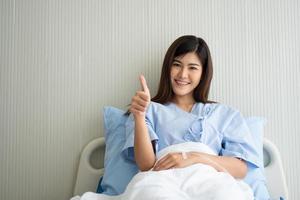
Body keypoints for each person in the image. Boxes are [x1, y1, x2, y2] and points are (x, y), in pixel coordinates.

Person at [124, 35, 260, 181]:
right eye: (176, 64)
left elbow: (240, 169)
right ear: (167, 67)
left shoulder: (225, 114)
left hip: (209, 183)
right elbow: (146, 166)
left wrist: (194, 157)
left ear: (203, 73)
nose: (182, 74)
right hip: (163, 183)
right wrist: (139, 116)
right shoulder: (147, 110)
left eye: (193, 67)